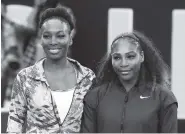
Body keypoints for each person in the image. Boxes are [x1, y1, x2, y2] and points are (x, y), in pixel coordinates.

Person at [6, 6, 95, 133]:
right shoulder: (24, 78)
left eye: (60, 36)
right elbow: (14, 125)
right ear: (40, 39)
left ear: (70, 38)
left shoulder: (87, 78)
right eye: (47, 36)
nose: (53, 42)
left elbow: (92, 125)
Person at [80, 31, 178, 133]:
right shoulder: (95, 97)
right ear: (111, 60)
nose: (123, 63)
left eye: (130, 56)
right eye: (117, 57)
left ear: (142, 56)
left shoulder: (164, 98)